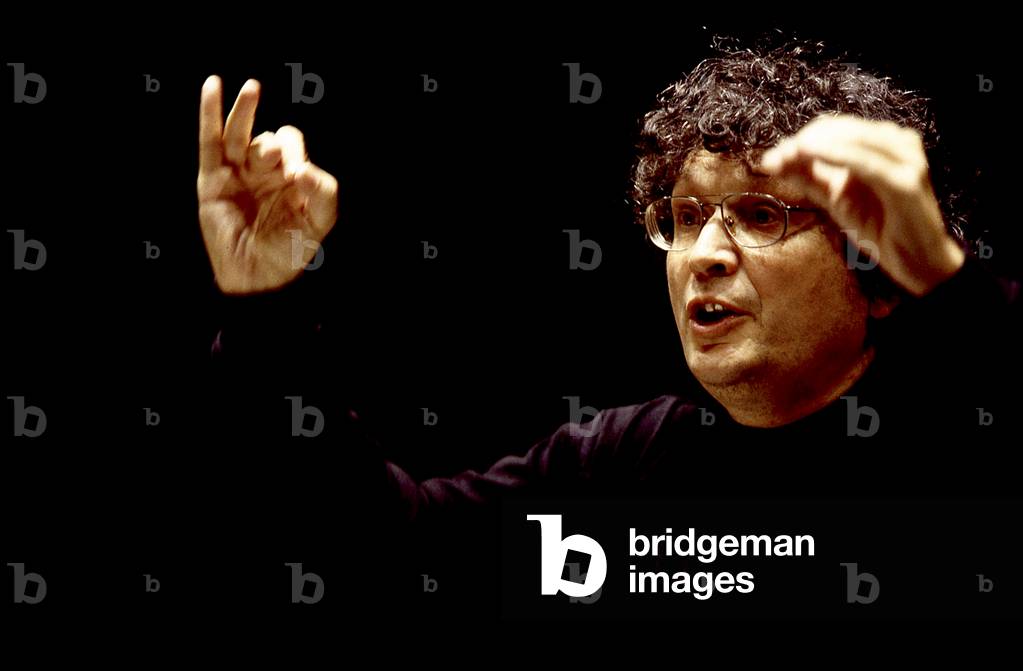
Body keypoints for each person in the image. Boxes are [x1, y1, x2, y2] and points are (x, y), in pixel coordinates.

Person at [196, 40, 1019, 616]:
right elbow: (386, 557)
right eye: (685, 216)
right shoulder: (622, 466)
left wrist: (944, 278)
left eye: (760, 214)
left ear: (876, 275)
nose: (703, 254)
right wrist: (265, 305)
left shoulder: (953, 440)